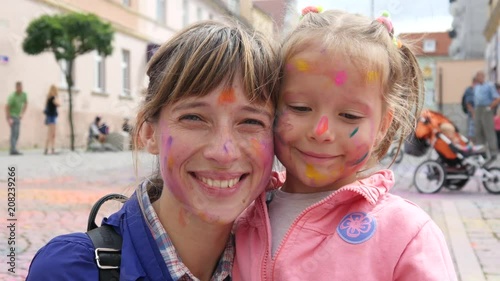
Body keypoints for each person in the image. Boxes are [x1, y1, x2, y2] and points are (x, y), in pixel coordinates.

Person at [26, 20, 281, 280]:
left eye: (251, 122)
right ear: (149, 133)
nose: (224, 152)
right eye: (193, 118)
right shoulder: (68, 271)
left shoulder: (284, 267)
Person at [233, 9, 457, 280]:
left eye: (349, 116)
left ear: (383, 125)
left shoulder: (405, 235)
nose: (321, 132)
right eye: (300, 107)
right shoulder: (238, 213)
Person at [473, 71, 500, 159]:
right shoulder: (476, 87)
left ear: (483, 76)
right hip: (478, 109)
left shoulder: (489, 85)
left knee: (489, 131)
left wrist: (490, 107)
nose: (478, 77)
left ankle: (493, 152)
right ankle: (481, 152)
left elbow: (497, 98)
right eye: (477, 76)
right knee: (478, 131)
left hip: (486, 108)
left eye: (480, 76)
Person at [5, 81, 28, 155]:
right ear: (16, 88)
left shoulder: (24, 95)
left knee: (17, 133)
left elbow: (26, 103)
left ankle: (13, 148)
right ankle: (13, 149)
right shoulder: (12, 96)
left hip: (18, 116)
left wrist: (22, 113)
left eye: (21, 87)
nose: (21, 89)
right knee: (14, 133)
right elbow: (7, 107)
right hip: (12, 116)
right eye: (19, 87)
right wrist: (8, 119)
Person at [43, 85, 60, 155]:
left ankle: (47, 149)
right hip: (52, 117)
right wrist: (57, 98)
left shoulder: (48, 98)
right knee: (52, 134)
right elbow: (58, 104)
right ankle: (52, 149)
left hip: (50, 117)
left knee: (50, 133)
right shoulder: (53, 98)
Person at [463, 77, 478, 141]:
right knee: (471, 130)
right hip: (472, 113)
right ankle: (471, 144)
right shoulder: (469, 90)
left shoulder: (476, 90)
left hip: (477, 112)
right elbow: (468, 103)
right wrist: (473, 113)